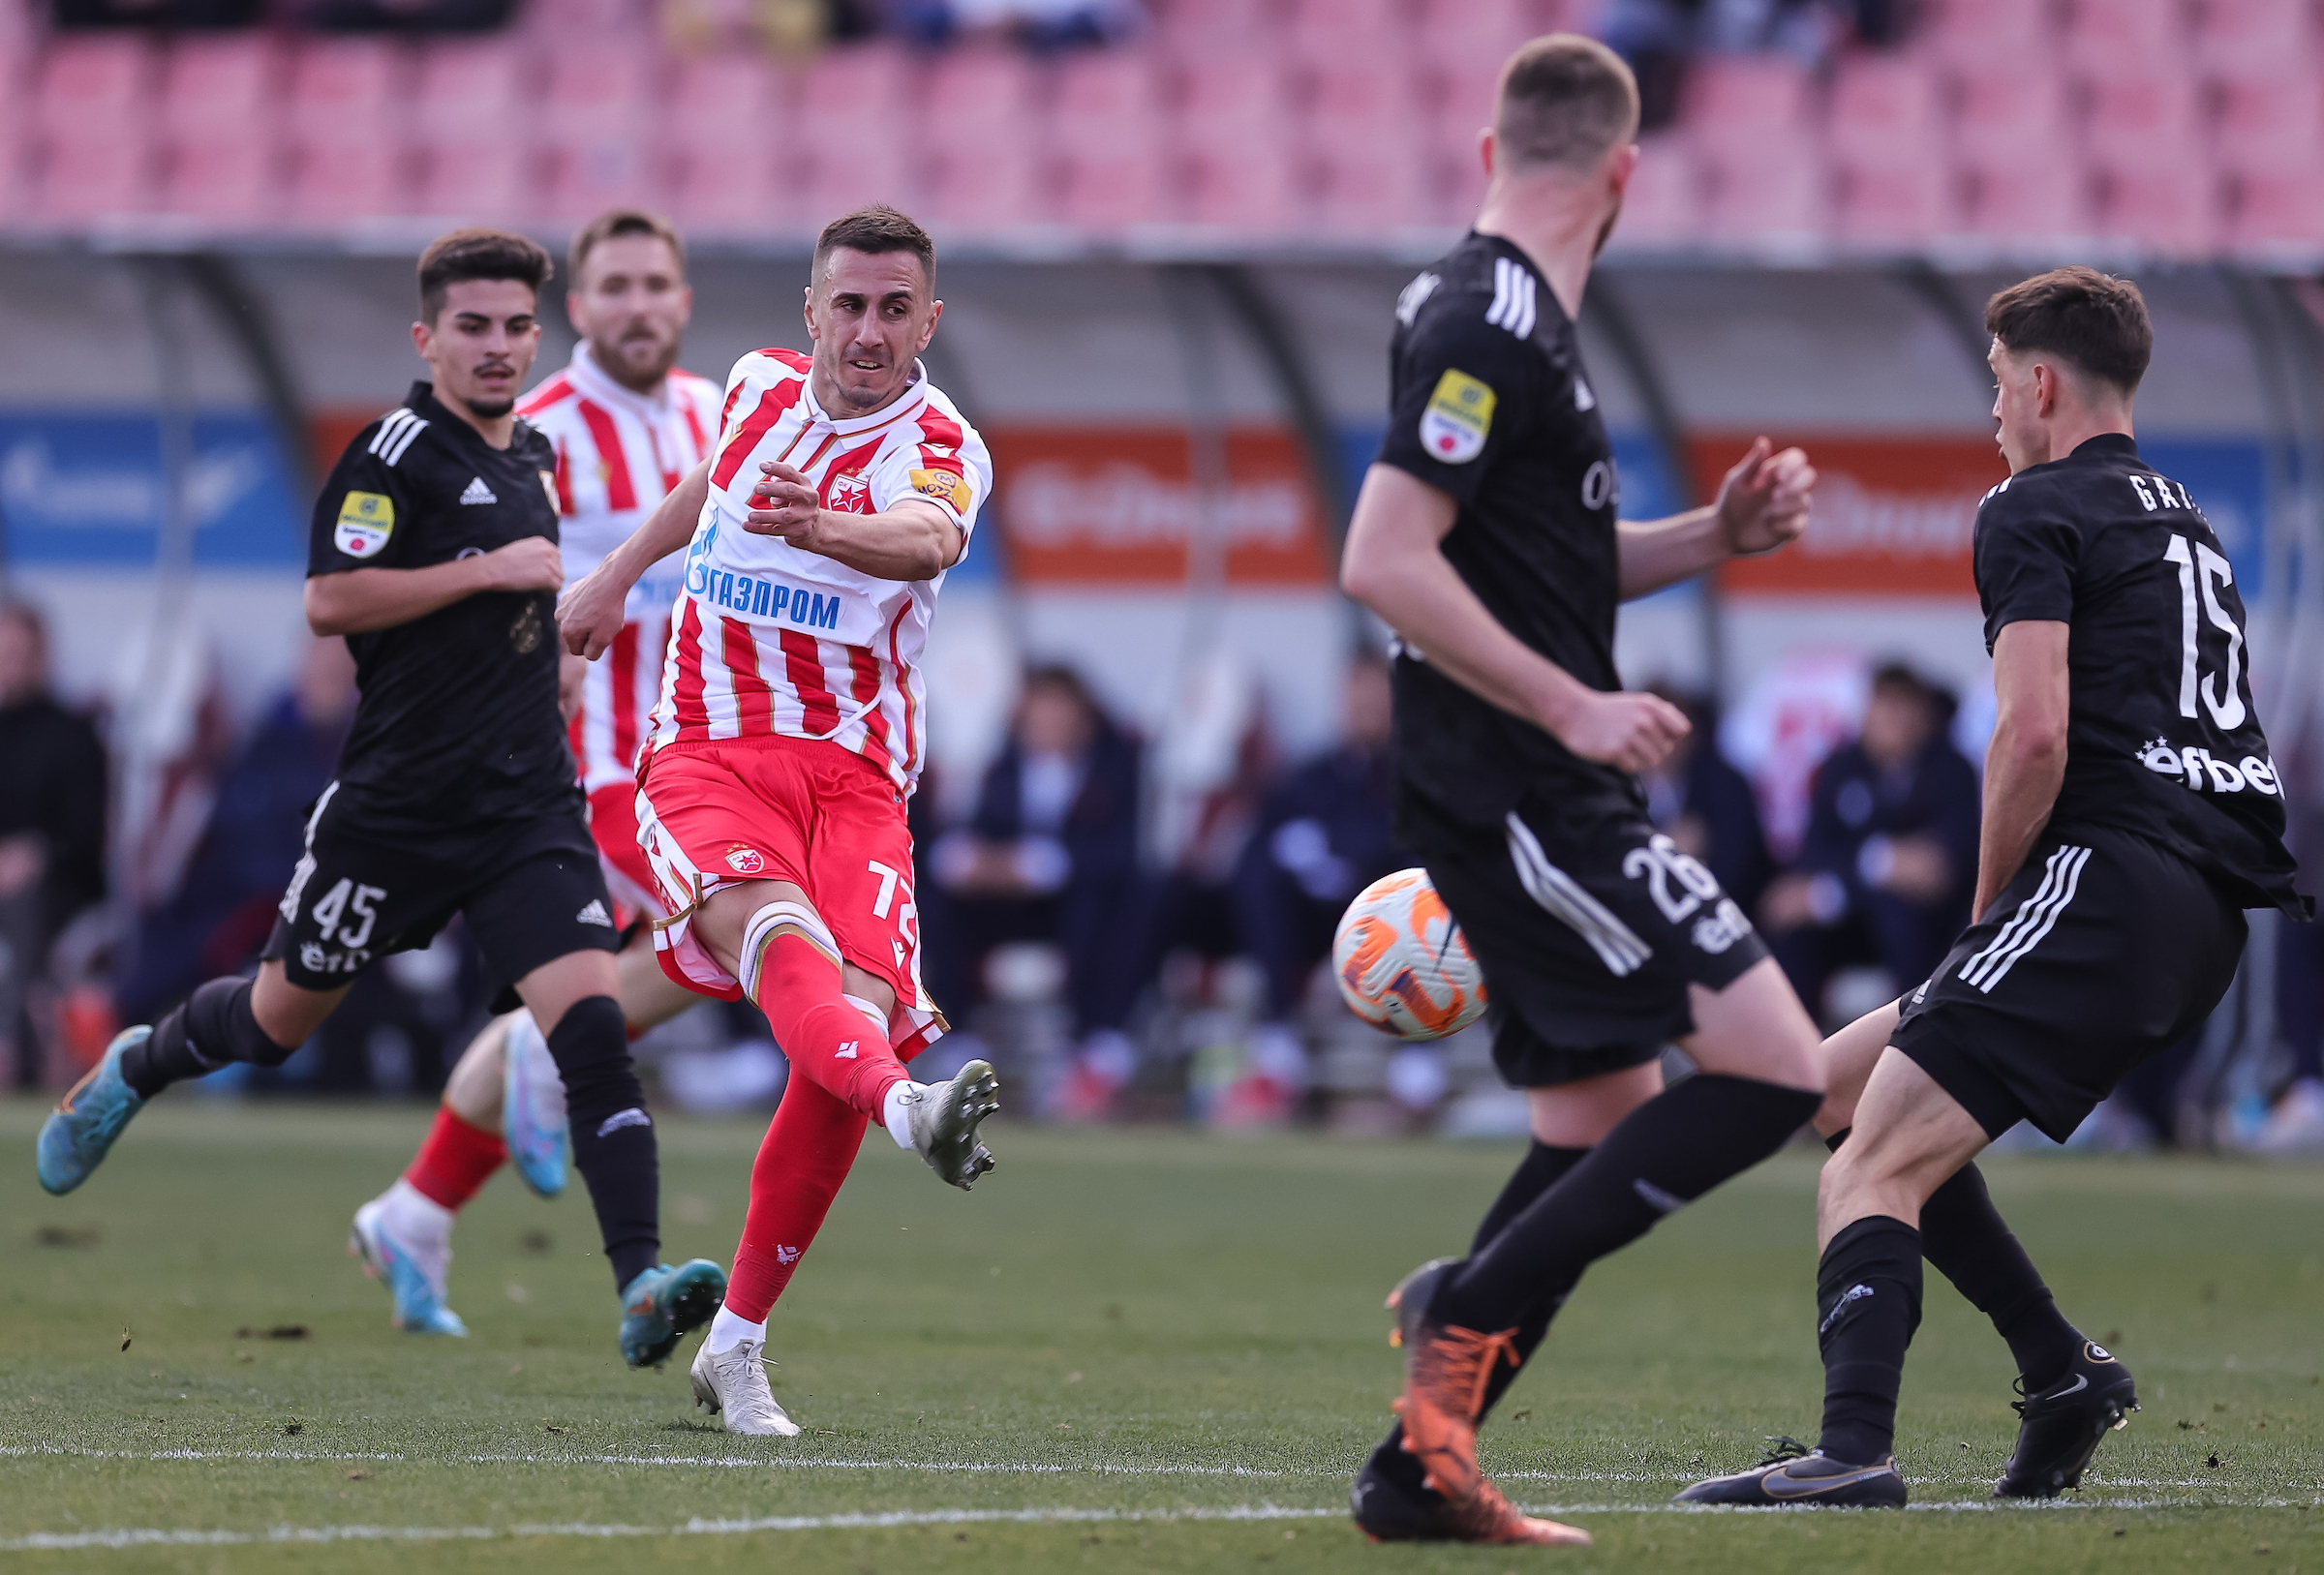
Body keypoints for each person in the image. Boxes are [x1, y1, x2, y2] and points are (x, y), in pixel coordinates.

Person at [36, 227, 728, 1374]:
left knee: (595, 1029)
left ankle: (641, 1280)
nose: (499, 346)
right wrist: (487, 571)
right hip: (395, 813)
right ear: (429, 337)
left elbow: (521, 621)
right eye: (475, 326)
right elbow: (329, 599)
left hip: (523, 809)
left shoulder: (536, 456)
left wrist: (546, 658)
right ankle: (136, 1065)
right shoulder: (390, 453)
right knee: (272, 1022)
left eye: (516, 326)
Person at [1679, 267, 2308, 1507]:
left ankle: (1853, 1449)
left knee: (1864, 1170)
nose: (1994, 411)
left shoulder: (2029, 505)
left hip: (2111, 878)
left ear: (2040, 382)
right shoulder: (2183, 518)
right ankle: (2059, 1370)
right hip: (2198, 904)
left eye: (1993, 382)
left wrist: (1988, 907)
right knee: (1828, 1095)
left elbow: (2031, 734)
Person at [1336, 35, 1827, 1547]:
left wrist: (1711, 540)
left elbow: (1530, 558)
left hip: (1528, 773)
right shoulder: (1490, 316)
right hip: (1523, 782)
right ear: (1625, 174)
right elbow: (1384, 558)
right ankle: (1461, 1305)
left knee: (1597, 1111)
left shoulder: (1510, 318)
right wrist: (1574, 704)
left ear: (1493, 153)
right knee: (1776, 1069)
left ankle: (1418, 1471)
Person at [557, 204, 1001, 1439]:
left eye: (893, 308)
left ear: (929, 319)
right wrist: (613, 575)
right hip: (705, 749)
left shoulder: (945, 442)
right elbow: (706, 485)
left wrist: (826, 528)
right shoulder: (754, 388)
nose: (868, 330)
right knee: (799, 959)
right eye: (847, 304)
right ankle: (908, 1104)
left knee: (836, 1031)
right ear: (810, 309)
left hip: (859, 776)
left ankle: (737, 1347)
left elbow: (927, 538)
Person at [345, 210, 727, 1339]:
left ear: (685, 299)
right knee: (731, 922)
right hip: (583, 761)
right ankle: (543, 1068)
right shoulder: (535, 427)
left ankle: (417, 1206)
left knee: (660, 966)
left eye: (658, 282)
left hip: (701, 753)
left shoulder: (721, 421)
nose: (639, 303)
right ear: (579, 308)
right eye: (615, 285)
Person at [924, 665, 1147, 1050]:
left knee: (1117, 906)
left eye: (1056, 711)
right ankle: (954, 1037)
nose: (1044, 723)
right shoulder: (1006, 767)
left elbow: (1118, 852)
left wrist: (1044, 865)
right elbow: (983, 830)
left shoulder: (1114, 769)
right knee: (942, 906)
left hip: (1079, 903)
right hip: (1011, 905)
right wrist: (979, 862)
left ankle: (1096, 1041)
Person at [1760, 662, 1979, 1020]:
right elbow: (1814, 853)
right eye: (1883, 706)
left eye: (1902, 707)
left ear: (1922, 715)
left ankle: (1909, 1039)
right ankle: (1801, 1054)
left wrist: (1835, 884)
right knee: (1790, 923)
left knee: (1901, 915)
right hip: (1850, 913)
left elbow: (1942, 868)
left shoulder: (1951, 769)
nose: (1891, 719)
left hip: (1923, 922)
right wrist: (1879, 864)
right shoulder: (1841, 766)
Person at [1232, 651, 1401, 1024]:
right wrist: (1292, 856)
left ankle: (1417, 1048)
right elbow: (1257, 843)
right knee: (1260, 878)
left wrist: (1339, 852)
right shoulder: (1311, 774)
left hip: (1380, 914)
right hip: (1312, 917)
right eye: (1357, 696)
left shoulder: (1413, 773)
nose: (1365, 707)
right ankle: (1278, 1030)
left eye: (1376, 696)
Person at [0, 599, 107, 1087]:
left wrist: (37, 854)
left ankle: (9, 1047)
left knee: (24, 903)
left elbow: (86, 833)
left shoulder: (71, 734)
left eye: (18, 653)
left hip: (58, 885)